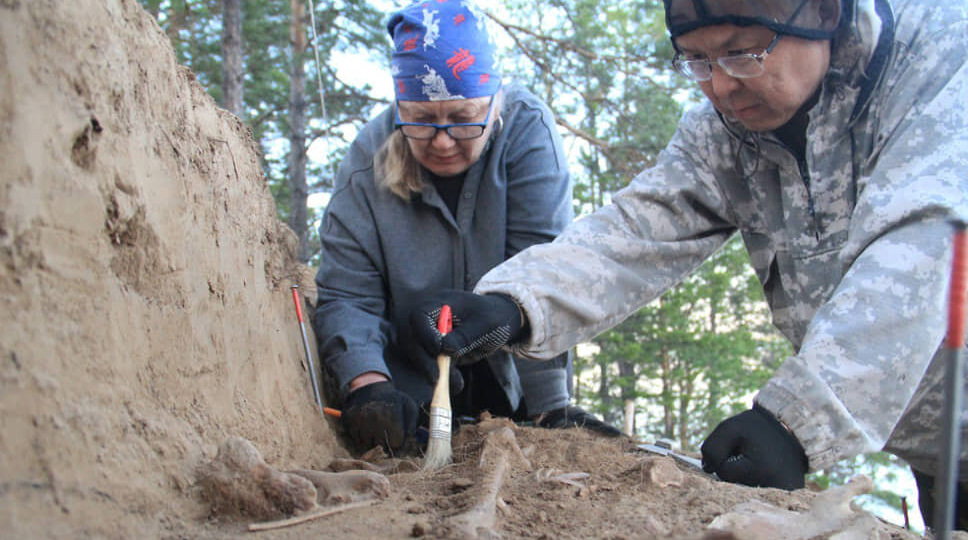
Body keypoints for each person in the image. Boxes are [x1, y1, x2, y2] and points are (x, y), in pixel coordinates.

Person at [406, 0, 968, 529]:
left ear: (821, 11)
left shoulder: (940, 62)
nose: (721, 86)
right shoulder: (726, 130)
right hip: (935, 446)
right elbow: (637, 229)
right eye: (697, 60)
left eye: (742, 51)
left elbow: (926, 246)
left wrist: (797, 422)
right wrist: (512, 301)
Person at [313, 0, 621, 456]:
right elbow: (348, 294)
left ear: (496, 101)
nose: (441, 140)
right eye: (420, 118)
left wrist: (551, 408)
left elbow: (544, 269)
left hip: (509, 372)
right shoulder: (366, 162)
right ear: (399, 105)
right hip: (408, 390)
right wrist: (367, 385)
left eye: (462, 118)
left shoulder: (527, 133)